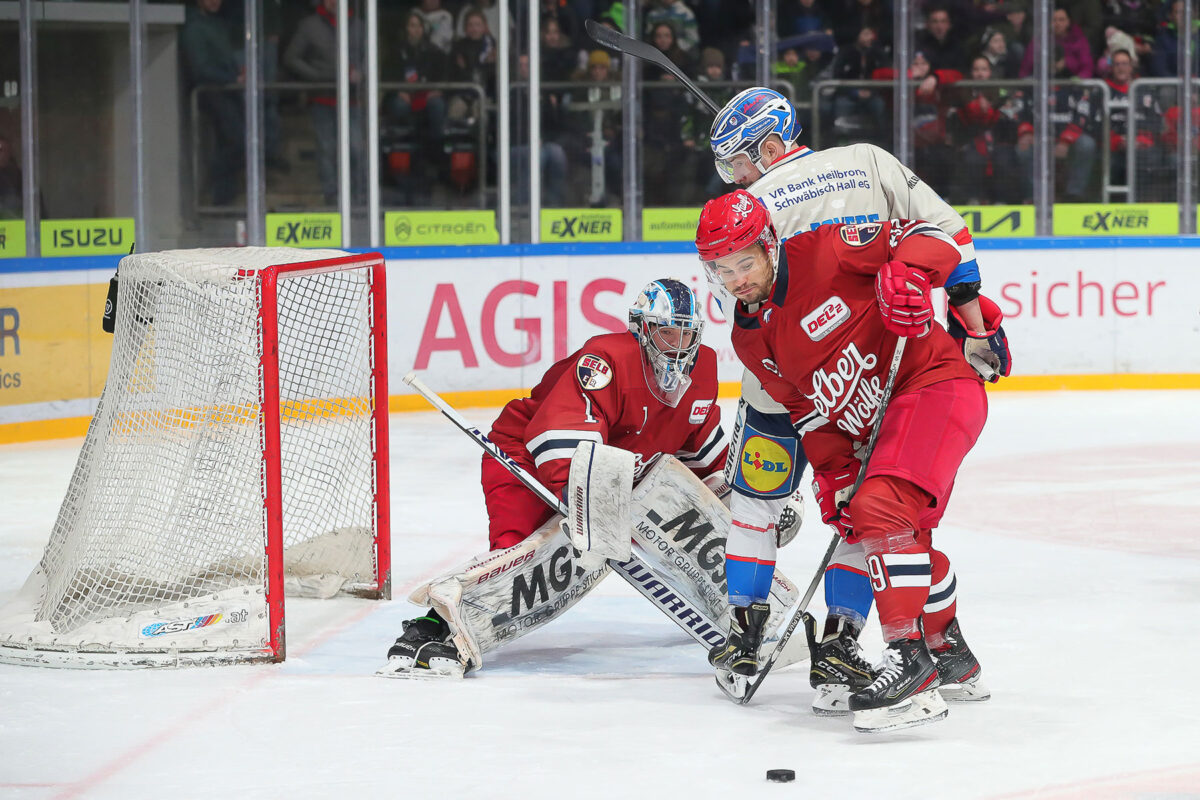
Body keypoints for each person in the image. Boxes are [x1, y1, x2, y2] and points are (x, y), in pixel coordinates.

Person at [704, 86, 1009, 714]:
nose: (735, 176)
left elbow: (930, 241)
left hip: (877, 381)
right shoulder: (866, 159)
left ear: (767, 146)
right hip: (842, 390)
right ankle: (886, 645)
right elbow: (953, 230)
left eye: (738, 161)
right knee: (868, 513)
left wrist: (914, 271)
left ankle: (761, 636)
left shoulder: (768, 216)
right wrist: (974, 318)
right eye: (722, 271)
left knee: (780, 504)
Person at [383, 279, 729, 678]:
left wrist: (737, 498)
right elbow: (558, 435)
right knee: (520, 555)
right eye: (667, 331)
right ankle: (430, 625)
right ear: (641, 329)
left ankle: (738, 607)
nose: (679, 343)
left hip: (608, 481)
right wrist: (588, 508)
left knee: (662, 534)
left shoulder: (703, 368)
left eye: (688, 332)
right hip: (525, 457)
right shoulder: (605, 359)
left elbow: (700, 451)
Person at [283, 0, 366, 207]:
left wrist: (362, 73)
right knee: (327, 148)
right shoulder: (309, 25)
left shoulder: (360, 25)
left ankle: (359, 195)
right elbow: (291, 58)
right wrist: (317, 76)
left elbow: (371, 55)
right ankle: (332, 196)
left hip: (352, 99)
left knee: (356, 148)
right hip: (322, 98)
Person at [180, 0, 244, 206]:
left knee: (235, 142)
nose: (215, 1)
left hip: (227, 91)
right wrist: (232, 79)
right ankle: (218, 194)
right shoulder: (195, 28)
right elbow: (201, 69)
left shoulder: (217, 25)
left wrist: (237, 76)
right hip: (212, 93)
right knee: (234, 141)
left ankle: (224, 196)